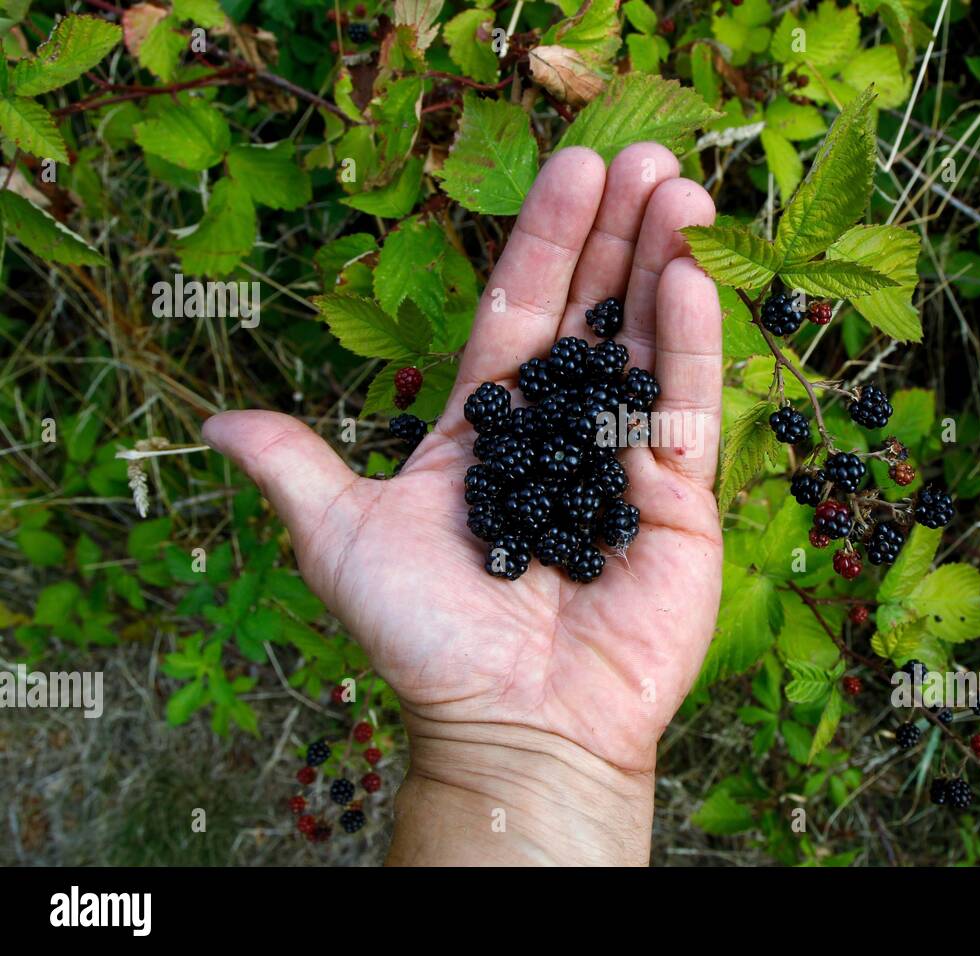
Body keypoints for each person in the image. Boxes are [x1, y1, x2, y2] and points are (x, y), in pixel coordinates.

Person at [203, 143, 725, 865]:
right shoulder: (523, 455)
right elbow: (533, 463)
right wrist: (524, 759)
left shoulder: (572, 452)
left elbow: (562, 465)